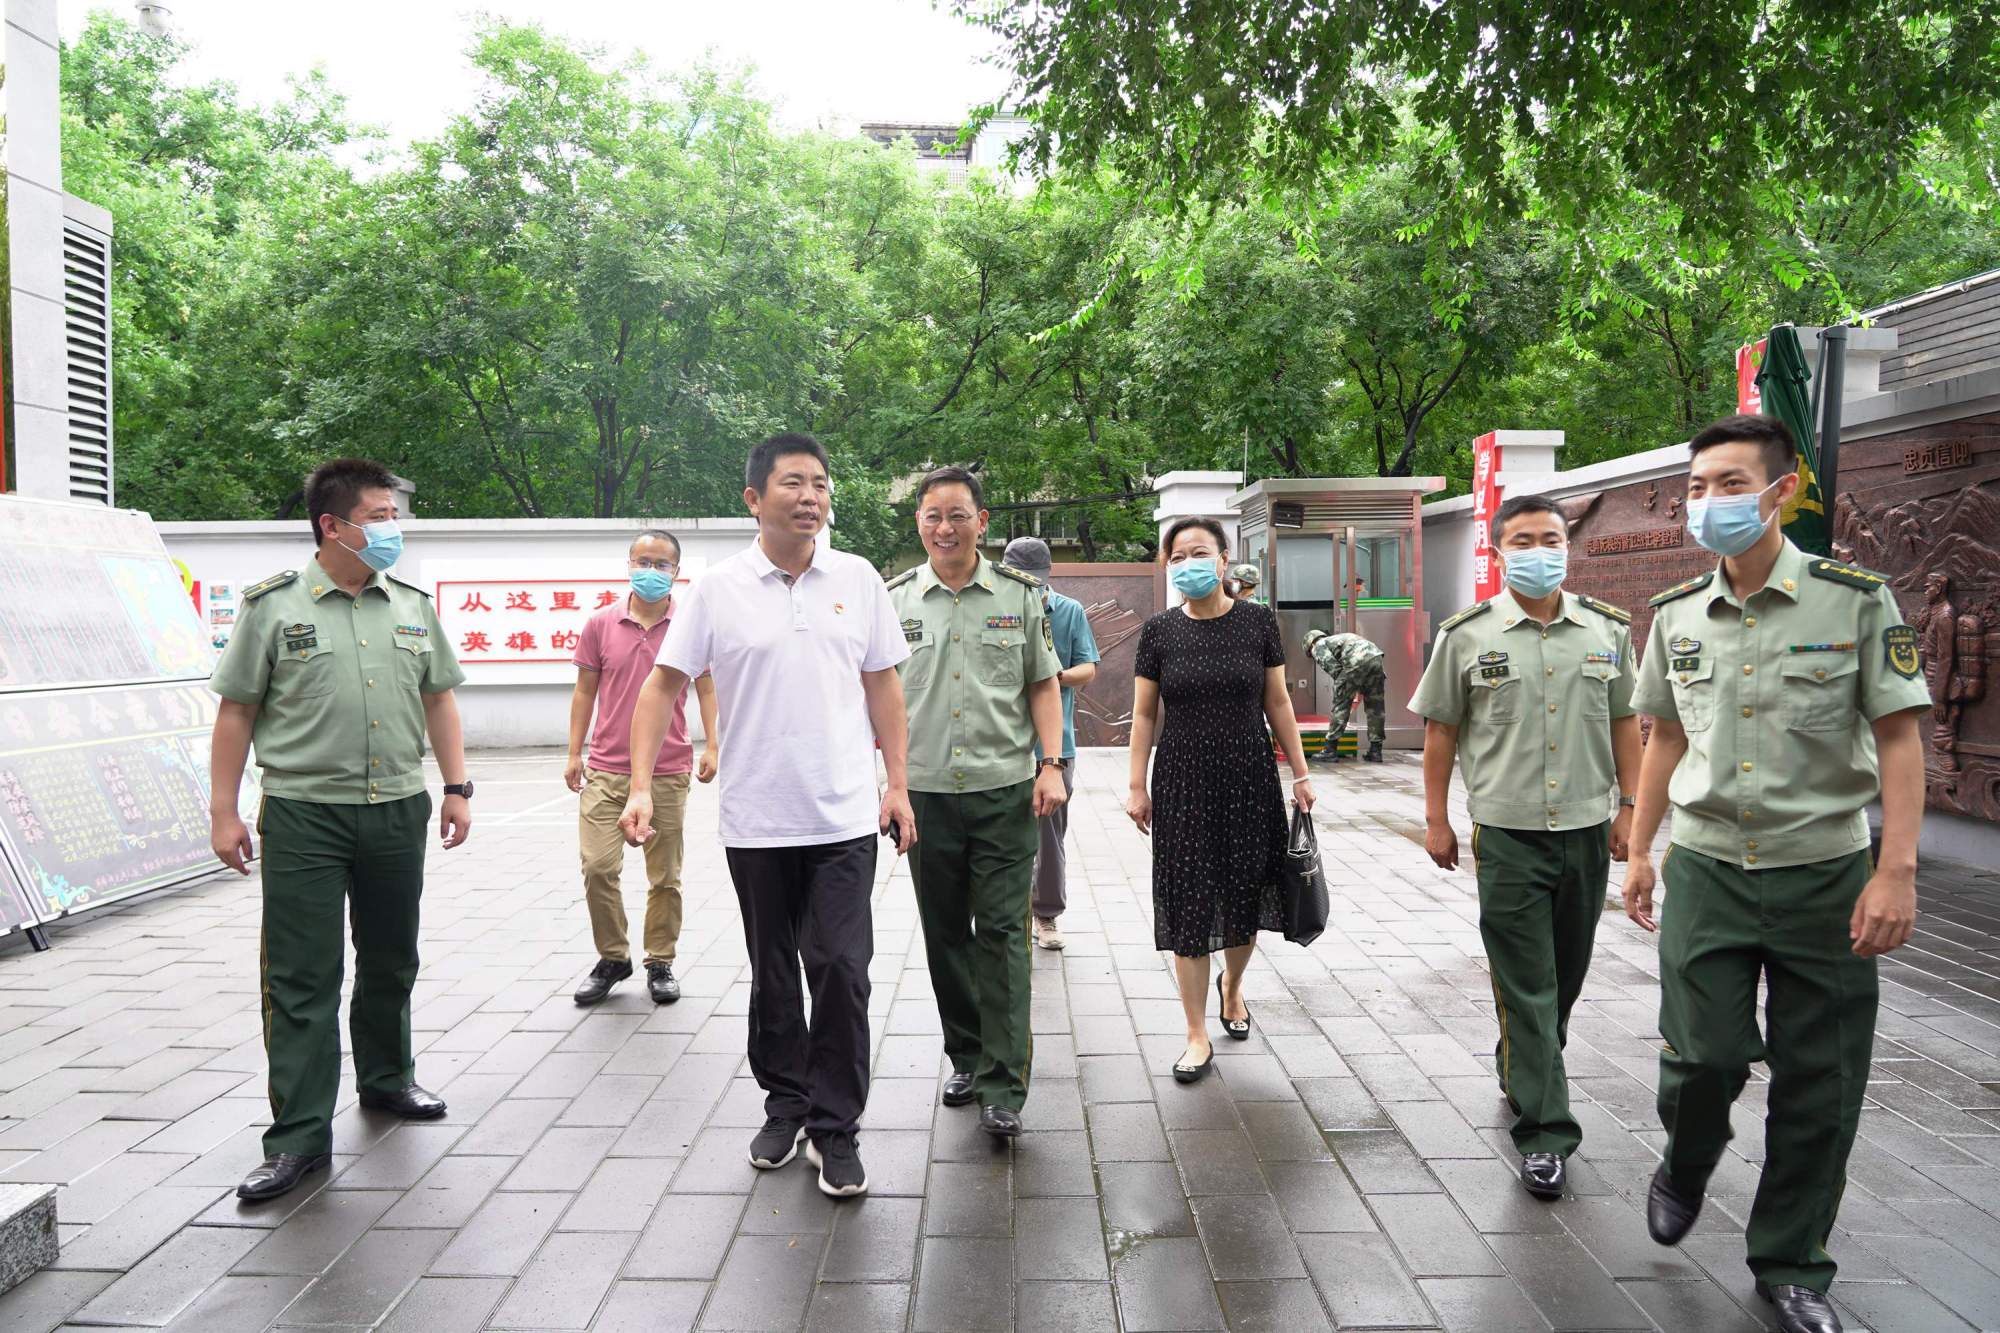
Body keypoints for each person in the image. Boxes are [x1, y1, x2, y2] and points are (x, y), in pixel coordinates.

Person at [1622, 414, 1929, 1333]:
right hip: (1709, 868)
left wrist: (1897, 870)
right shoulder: (1677, 614)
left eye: (1728, 483)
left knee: (1820, 1078)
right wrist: (1638, 849)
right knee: (1705, 1050)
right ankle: (1688, 1155)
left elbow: (1900, 737)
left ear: (1782, 491)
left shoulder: (1855, 600)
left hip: (1827, 875)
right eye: (1697, 487)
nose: (1708, 502)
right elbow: (1663, 737)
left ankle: (1792, 1262)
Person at [619, 433, 914, 1200]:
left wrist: (897, 784)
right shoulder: (717, 589)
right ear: (754, 498)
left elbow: (884, 686)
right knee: (774, 972)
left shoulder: (858, 579)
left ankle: (836, 1127)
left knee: (842, 969)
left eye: (820, 482)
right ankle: (786, 1101)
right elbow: (662, 687)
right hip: (756, 820)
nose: (811, 495)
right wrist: (645, 784)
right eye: (793, 482)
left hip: (844, 816)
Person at [207, 458, 471, 1202]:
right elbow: (236, 711)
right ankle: (297, 1137)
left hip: (395, 806)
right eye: (380, 516)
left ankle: (388, 1079)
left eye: (395, 516)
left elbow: (440, 699)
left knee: (391, 957)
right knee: (302, 977)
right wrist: (224, 810)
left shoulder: (411, 605)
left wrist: (455, 787)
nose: (393, 529)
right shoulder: (274, 607)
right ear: (333, 525)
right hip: (303, 814)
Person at [1408, 493, 1640, 1201]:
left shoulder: (1606, 631)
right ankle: (1546, 1131)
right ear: (1498, 551)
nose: (1540, 550)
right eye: (1524, 540)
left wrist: (1631, 809)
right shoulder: (1468, 635)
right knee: (1527, 983)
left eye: (1552, 538)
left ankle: (1522, 1064)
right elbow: (1441, 731)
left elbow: (1627, 721)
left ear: (1567, 546)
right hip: (1507, 836)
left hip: (1586, 831)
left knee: (1564, 977)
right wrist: (1436, 819)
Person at [888, 480, 1067, 1138]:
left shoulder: (1019, 597)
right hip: (926, 796)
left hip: (1003, 793)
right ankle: (965, 1054)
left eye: (957, 515)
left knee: (1001, 932)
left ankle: (1004, 1083)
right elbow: (876, 698)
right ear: (919, 521)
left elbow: (1042, 683)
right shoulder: (895, 601)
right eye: (933, 516)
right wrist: (890, 782)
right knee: (944, 935)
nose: (945, 527)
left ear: (981, 521)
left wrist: (1052, 765)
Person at [1124, 518, 1315, 1084]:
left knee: (1243, 890)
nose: (1189, 563)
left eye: (1200, 552)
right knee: (1187, 900)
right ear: (1167, 565)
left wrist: (1301, 775)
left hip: (1249, 776)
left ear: (1224, 560)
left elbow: (1278, 702)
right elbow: (1142, 714)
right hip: (1181, 780)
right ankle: (1195, 1032)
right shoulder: (1158, 632)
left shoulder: (1258, 623)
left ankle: (1232, 986)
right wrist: (1137, 784)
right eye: (1178, 555)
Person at [565, 530, 719, 1007]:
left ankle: (660, 960)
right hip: (607, 768)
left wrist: (713, 743)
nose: (651, 571)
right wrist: (574, 752)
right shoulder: (600, 624)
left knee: (665, 875)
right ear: (628, 563)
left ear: (677, 572)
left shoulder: (689, 624)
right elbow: (584, 691)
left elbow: (707, 688)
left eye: (662, 564)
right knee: (598, 867)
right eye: (642, 561)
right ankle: (613, 957)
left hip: (668, 769)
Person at [1001, 536, 1101, 951]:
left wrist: (1050, 678)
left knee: (1049, 833)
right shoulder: (995, 608)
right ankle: (1006, 916)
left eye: (1032, 578)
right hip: (1003, 740)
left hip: (1054, 745)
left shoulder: (1070, 611)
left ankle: (1046, 915)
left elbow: (1088, 668)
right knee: (1000, 833)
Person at [1304, 628, 1389, 763]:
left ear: (1310, 644)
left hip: (1356, 661)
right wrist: (1357, 690)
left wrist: (1344, 695)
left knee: (1341, 706)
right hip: (1376, 658)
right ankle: (1375, 751)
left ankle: (1330, 750)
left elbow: (1336, 671)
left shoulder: (1318, 645)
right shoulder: (1339, 638)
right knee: (1376, 708)